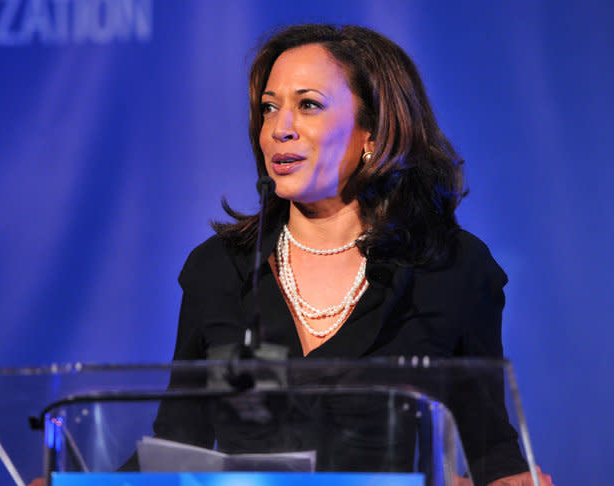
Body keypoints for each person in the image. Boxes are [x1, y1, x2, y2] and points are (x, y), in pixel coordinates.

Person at [151, 24, 554, 486]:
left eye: (308, 105)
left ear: (373, 133)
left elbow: (492, 453)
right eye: (269, 108)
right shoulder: (218, 269)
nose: (279, 129)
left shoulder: (450, 267)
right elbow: (176, 451)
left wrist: (512, 480)